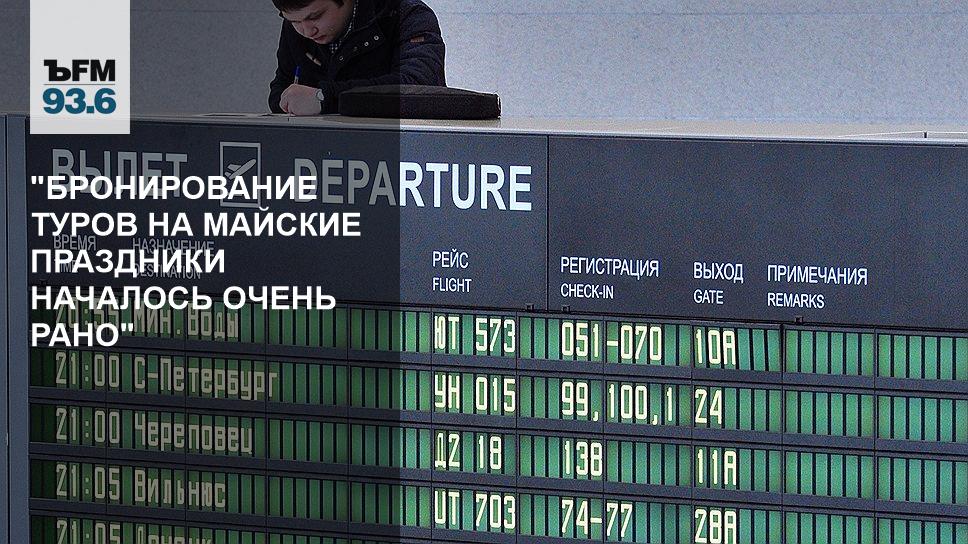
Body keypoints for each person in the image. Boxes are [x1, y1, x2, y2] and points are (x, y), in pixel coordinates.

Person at [269, 0, 446, 115]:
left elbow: (420, 87)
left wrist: (323, 98)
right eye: (293, 21)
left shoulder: (406, 14)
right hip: (322, 152)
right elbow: (280, 89)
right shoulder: (296, 29)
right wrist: (290, 101)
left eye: (315, 16)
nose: (307, 31)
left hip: (400, 150)